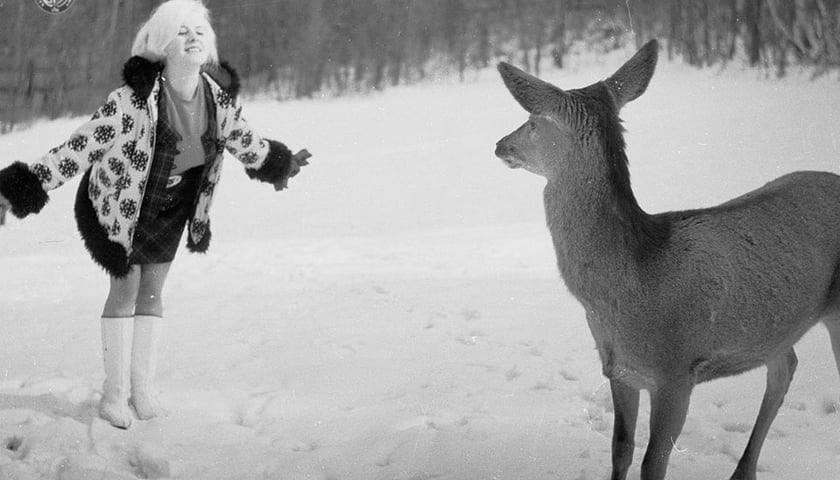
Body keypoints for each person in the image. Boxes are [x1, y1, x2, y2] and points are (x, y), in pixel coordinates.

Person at [0, 0, 311, 429]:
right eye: (182, 32)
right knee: (125, 291)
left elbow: (246, 140)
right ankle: (113, 397)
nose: (194, 38)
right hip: (121, 205)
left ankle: (141, 391)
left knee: (152, 293)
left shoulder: (216, 97)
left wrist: (280, 163)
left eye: (200, 30)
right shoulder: (131, 101)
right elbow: (78, 149)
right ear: (163, 44)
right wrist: (16, 191)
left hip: (173, 207)